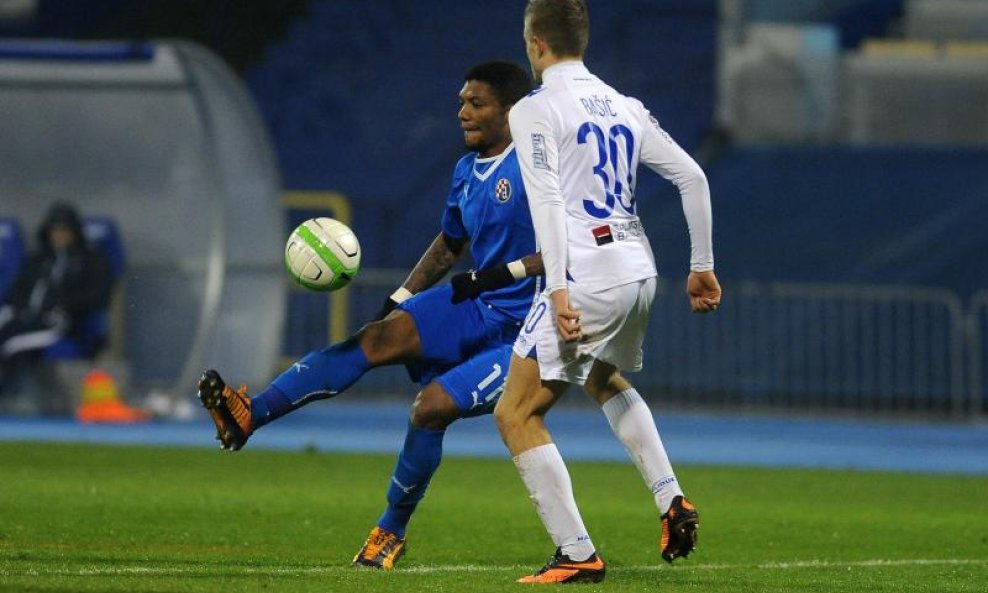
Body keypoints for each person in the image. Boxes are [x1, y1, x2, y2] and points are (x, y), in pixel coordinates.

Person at [197, 61, 540, 569]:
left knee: (430, 408)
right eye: (461, 101)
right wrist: (400, 299)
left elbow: (573, 247)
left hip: (528, 330)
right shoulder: (466, 171)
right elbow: (449, 245)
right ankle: (251, 414)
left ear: (510, 112)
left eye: (476, 103)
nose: (462, 112)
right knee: (373, 338)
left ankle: (389, 532)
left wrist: (502, 277)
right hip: (476, 305)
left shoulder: (539, 165)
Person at [493, 0, 723, 584]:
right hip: (639, 270)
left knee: (516, 411)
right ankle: (671, 498)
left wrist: (560, 291)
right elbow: (692, 177)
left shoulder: (534, 108)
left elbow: (547, 201)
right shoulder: (625, 105)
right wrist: (701, 266)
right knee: (600, 376)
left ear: (535, 44)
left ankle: (576, 553)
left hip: (587, 274)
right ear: (582, 41)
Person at [0, 203, 113, 398]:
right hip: (26, 320)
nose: (59, 235)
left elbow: (96, 296)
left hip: (60, 323)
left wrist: (61, 305)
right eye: (54, 230)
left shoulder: (90, 260)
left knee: (10, 345)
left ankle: (7, 396)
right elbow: (17, 291)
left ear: (75, 232)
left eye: (64, 230)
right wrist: (20, 310)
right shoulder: (39, 259)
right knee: (7, 334)